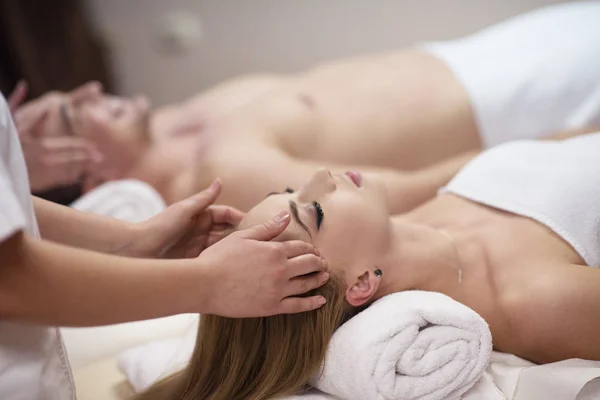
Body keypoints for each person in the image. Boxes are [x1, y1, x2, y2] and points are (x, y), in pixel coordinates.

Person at [137, 130, 600, 400]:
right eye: (313, 212)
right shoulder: (533, 302)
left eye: (291, 191)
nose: (319, 177)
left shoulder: (418, 210)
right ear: (361, 283)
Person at [36, 1, 600, 213]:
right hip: (513, 105)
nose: (88, 93)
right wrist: (547, 149)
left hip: (484, 57)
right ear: (88, 176)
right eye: (69, 114)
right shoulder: (220, 174)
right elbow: (396, 195)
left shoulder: (167, 124)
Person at [0, 95, 330, 400]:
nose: (324, 174)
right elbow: (10, 282)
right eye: (315, 213)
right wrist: (209, 283)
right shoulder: (228, 165)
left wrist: (133, 241)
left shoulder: (187, 119)